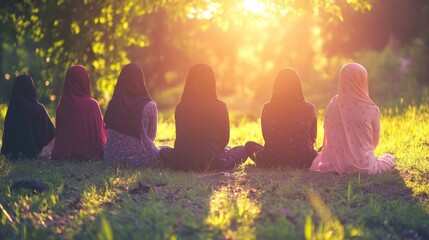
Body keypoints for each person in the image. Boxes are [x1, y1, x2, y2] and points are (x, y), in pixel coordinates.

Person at [159, 63, 248, 171]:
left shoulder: (181, 107)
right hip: (214, 162)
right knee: (243, 149)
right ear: (211, 82)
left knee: (163, 150)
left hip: (182, 163)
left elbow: (181, 138)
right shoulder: (220, 107)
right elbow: (224, 140)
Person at [310, 63, 395, 174]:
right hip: (363, 165)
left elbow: (328, 134)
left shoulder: (332, 105)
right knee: (389, 158)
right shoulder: (371, 109)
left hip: (333, 162)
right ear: (362, 81)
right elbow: (374, 142)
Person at [245, 68, 318, 168]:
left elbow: (267, 136)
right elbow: (312, 138)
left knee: (249, 145)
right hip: (305, 160)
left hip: (273, 159)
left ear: (277, 86)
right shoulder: (309, 108)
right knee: (323, 149)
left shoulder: (267, 108)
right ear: (298, 86)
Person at [104, 63, 159, 167]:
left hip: (110, 157)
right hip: (139, 160)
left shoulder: (113, 103)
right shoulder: (150, 105)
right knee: (166, 150)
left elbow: (107, 130)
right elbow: (151, 136)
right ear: (140, 79)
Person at [51, 65, 106, 160]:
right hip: (87, 155)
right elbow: (99, 138)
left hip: (61, 155)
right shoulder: (92, 105)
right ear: (85, 81)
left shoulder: (61, 106)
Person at [1, 75, 55, 159]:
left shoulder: (12, 110)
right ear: (31, 88)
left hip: (13, 155)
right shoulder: (39, 109)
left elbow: (8, 139)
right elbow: (52, 135)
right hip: (38, 154)